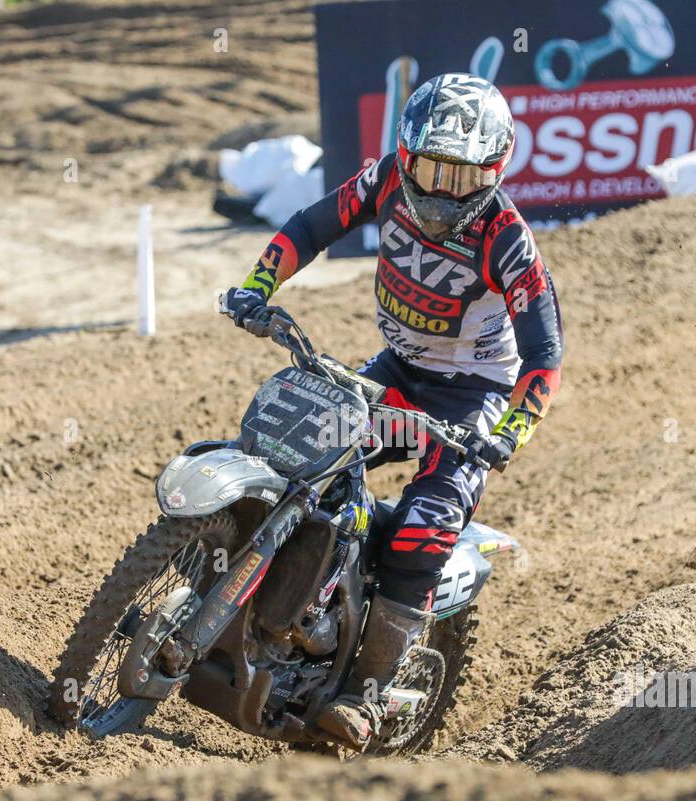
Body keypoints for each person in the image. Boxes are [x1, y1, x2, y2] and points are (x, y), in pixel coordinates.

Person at [220, 73, 564, 750]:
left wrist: (510, 433)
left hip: (472, 399)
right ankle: (252, 595)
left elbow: (545, 355)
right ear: (405, 156)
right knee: (296, 451)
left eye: (461, 177)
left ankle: (366, 692)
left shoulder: (509, 241)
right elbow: (313, 225)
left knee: (421, 534)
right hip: (398, 374)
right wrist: (258, 285)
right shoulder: (382, 182)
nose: (440, 190)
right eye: (429, 169)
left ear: (493, 172)